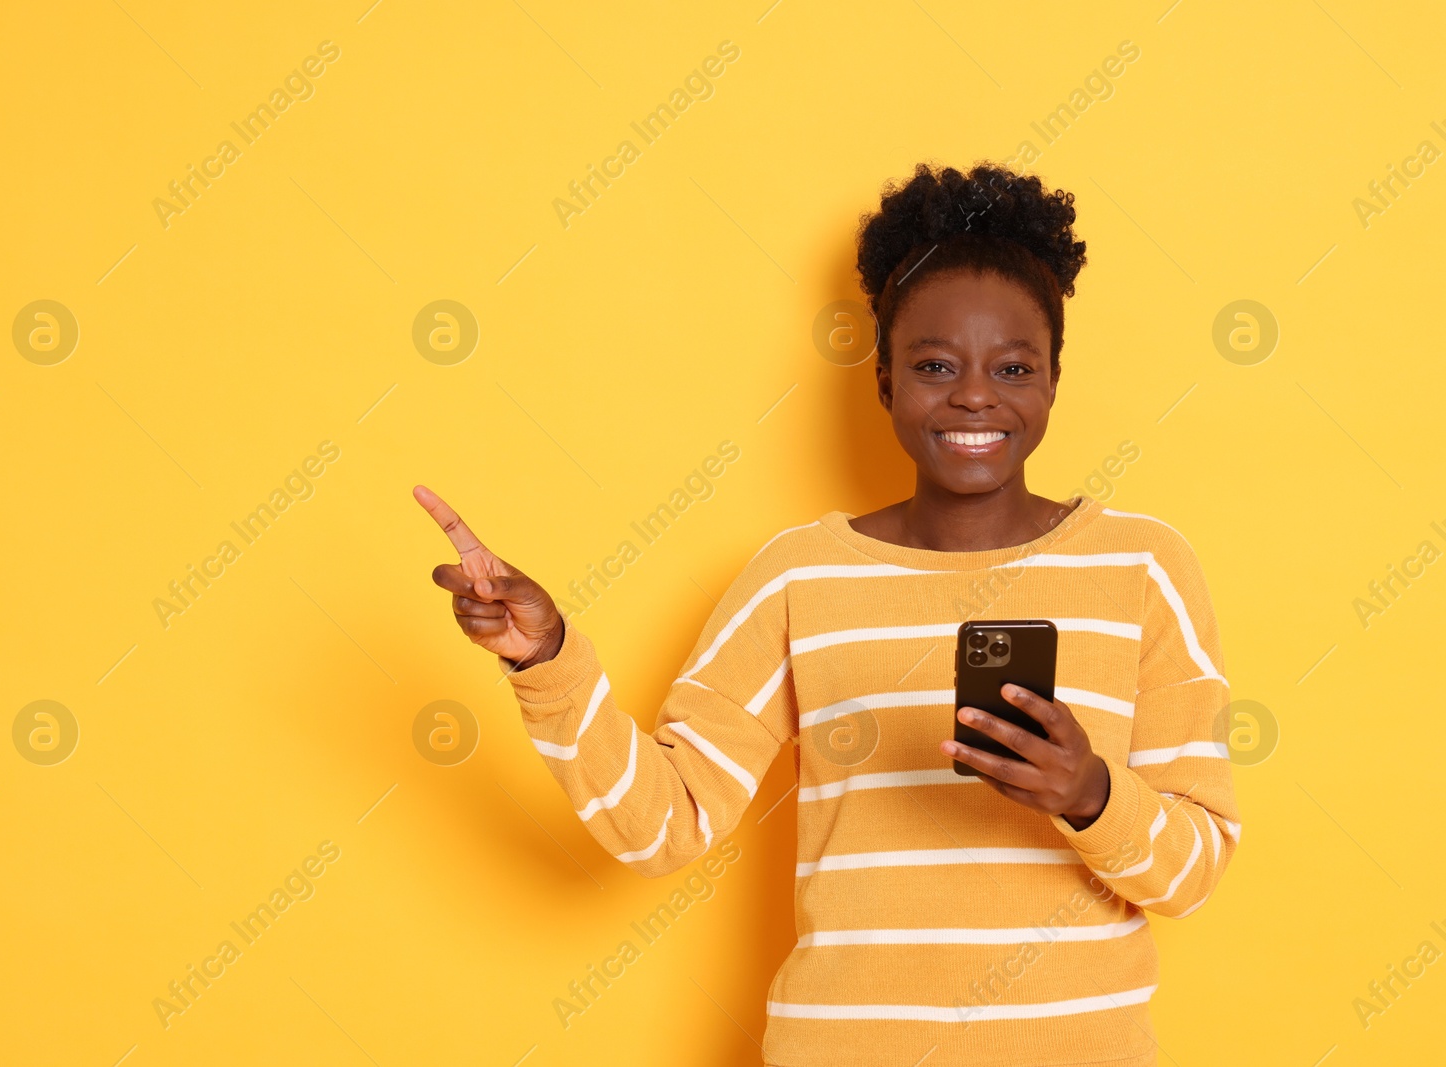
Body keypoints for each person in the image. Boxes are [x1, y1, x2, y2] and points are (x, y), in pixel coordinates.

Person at [415, 162, 1239, 1067]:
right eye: (934, 365)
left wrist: (1089, 795)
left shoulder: (1144, 567)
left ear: (1051, 383)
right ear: (883, 380)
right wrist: (549, 661)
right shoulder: (797, 576)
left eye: (1013, 367)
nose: (974, 394)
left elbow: (1193, 872)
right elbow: (664, 823)